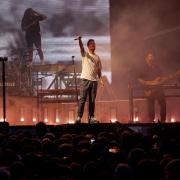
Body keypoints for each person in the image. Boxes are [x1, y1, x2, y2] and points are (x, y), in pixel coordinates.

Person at [75, 36, 104, 124]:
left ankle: (91, 117)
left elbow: (98, 70)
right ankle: (79, 117)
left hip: (94, 81)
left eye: (94, 44)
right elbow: (81, 47)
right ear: (88, 46)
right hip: (85, 80)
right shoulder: (85, 54)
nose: (93, 45)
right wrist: (80, 40)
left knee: (92, 100)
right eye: (91, 44)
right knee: (82, 99)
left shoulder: (97, 57)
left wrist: (101, 80)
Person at [137, 52, 166, 122]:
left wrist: (158, 80)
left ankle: (163, 121)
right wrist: (146, 84)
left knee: (163, 103)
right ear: (146, 59)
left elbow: (161, 77)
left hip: (158, 90)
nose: (151, 58)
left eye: (152, 57)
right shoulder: (143, 69)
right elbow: (139, 79)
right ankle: (151, 121)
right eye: (149, 57)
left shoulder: (157, 68)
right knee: (150, 106)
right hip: (149, 90)